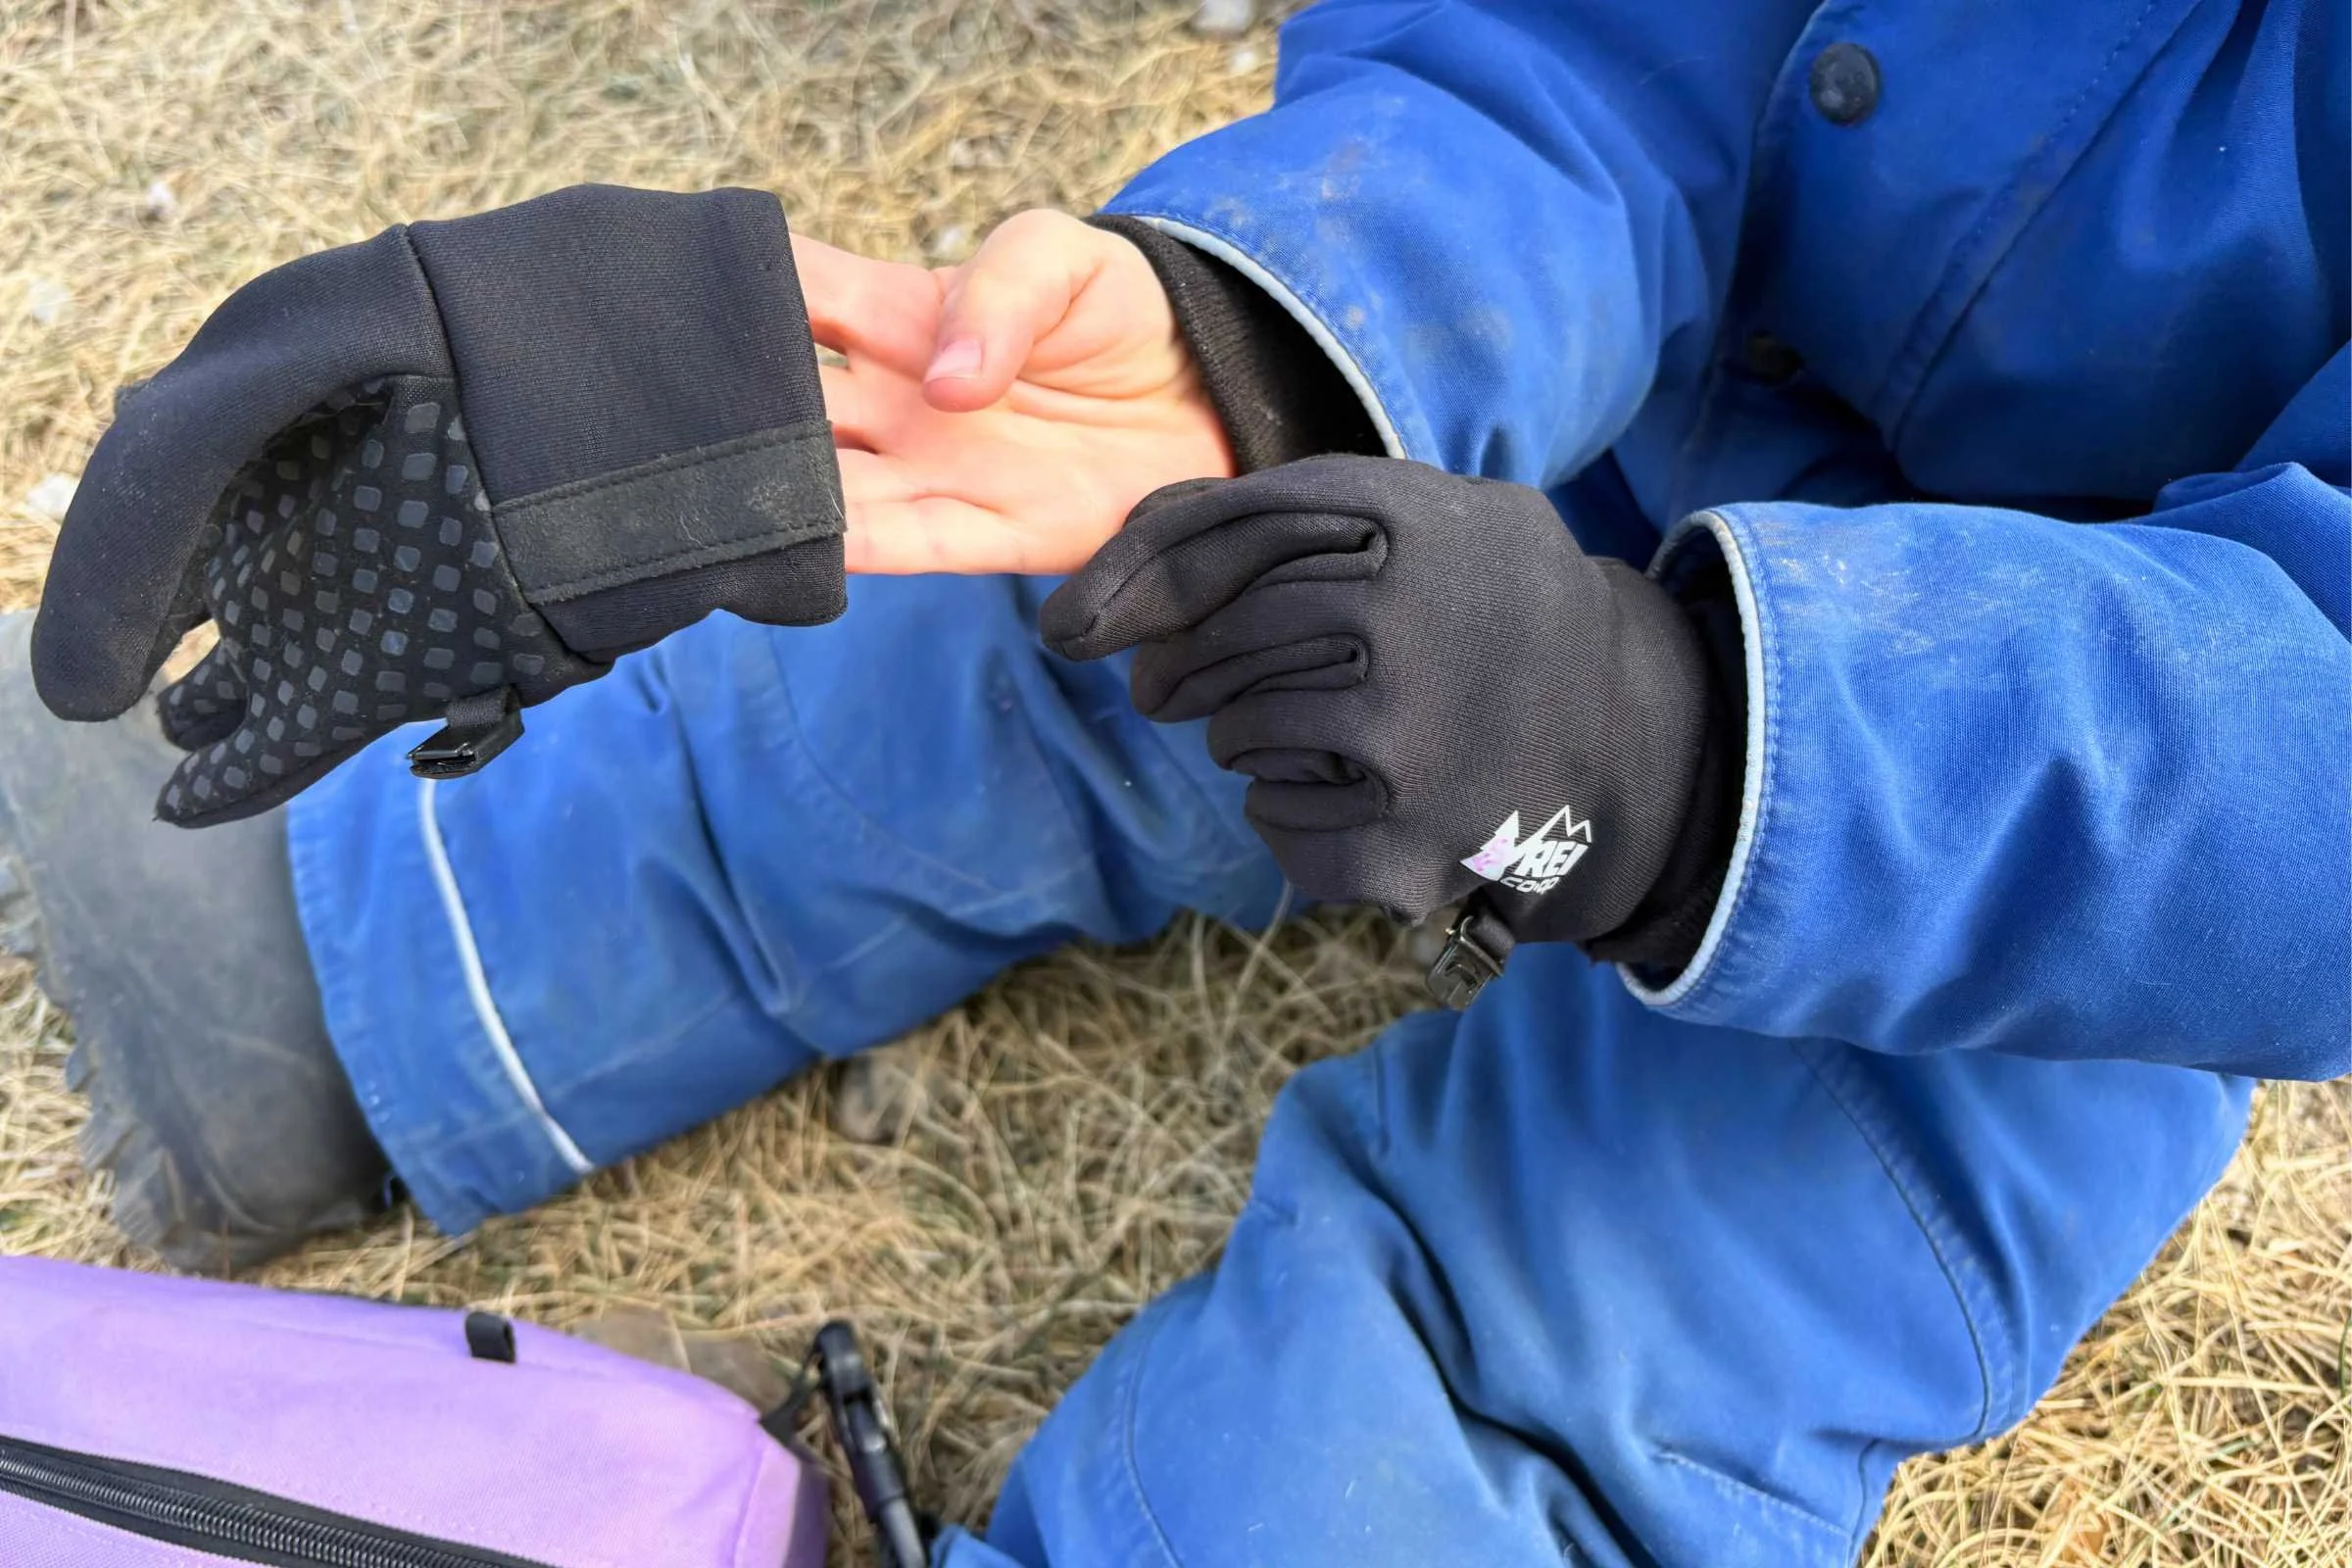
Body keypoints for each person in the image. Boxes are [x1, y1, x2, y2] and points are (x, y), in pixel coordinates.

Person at [3, 1, 2343, 1564]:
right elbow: (1607, 41)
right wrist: (1272, 337)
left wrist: (1674, 745)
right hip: (1645, 395)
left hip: (2122, 795)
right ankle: (402, 923)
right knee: (1077, 615)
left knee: (1586, 1323)